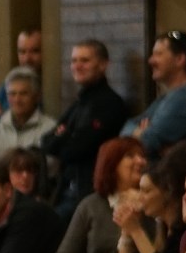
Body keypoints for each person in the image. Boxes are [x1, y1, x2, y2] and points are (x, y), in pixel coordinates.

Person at [40, 38, 130, 215]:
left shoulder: (109, 103)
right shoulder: (80, 102)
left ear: (103, 65)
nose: (77, 66)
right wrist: (65, 136)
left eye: (85, 60)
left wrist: (62, 136)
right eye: (74, 60)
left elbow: (76, 148)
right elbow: (46, 141)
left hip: (90, 193)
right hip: (69, 188)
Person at [122, 30, 186, 161]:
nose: (151, 60)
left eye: (158, 54)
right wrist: (142, 133)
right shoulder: (166, 98)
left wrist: (143, 134)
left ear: (179, 59)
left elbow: (147, 142)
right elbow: (126, 128)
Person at [0, 28, 44, 136]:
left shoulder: (47, 86)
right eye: (22, 52)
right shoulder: (13, 81)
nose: (27, 58)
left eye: (35, 51)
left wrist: (2, 116)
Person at [0, 68, 51, 163]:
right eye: (12, 94)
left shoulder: (50, 129)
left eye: (23, 94)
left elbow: (51, 167)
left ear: (37, 96)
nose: (17, 100)